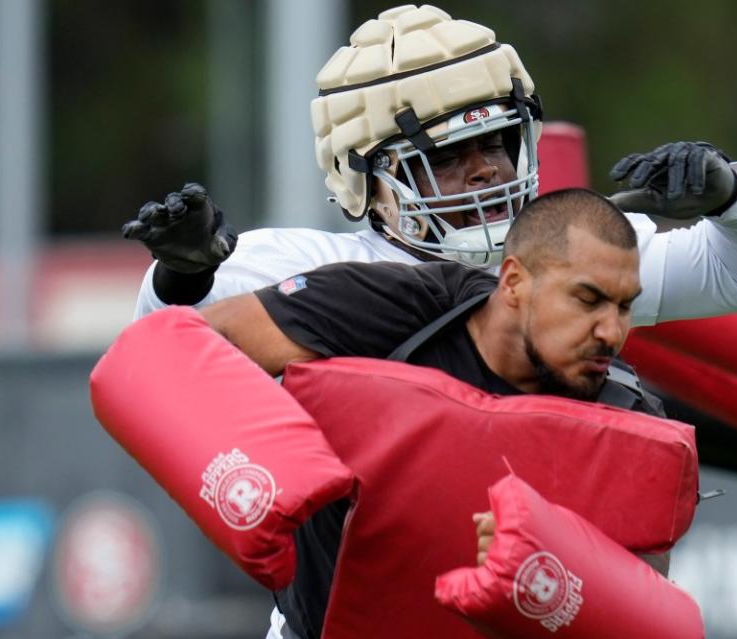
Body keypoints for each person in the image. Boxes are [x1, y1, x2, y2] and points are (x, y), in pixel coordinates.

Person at [123, 4, 737, 330]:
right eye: (447, 156)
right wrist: (182, 274)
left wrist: (729, 198)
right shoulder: (314, 267)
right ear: (370, 182)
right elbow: (161, 333)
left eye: (496, 144)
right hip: (351, 607)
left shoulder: (569, 258)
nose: (484, 170)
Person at [199, 188, 652, 638]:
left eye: (625, 306)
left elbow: (647, 604)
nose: (610, 332)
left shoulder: (626, 413)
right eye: (588, 301)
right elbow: (206, 344)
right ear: (513, 282)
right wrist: (262, 470)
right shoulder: (407, 304)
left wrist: (559, 569)